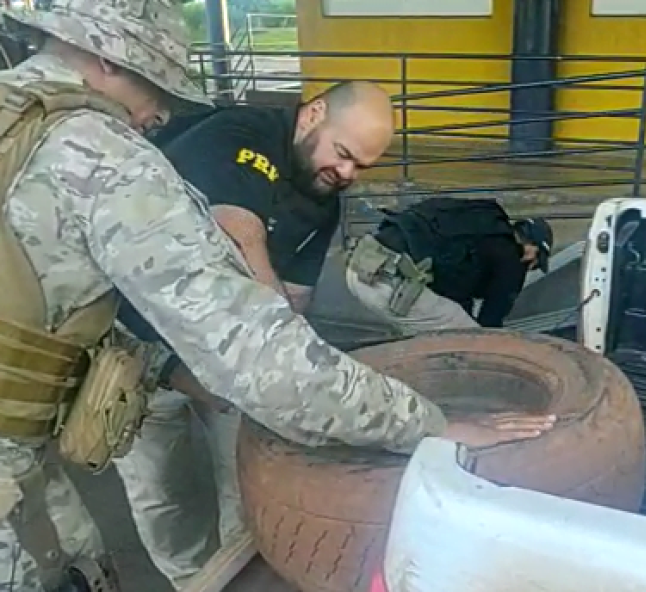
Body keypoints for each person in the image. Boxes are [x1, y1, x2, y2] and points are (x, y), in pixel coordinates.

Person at [0, 2, 555, 590]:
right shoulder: (105, 156)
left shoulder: (17, 115)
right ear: (107, 57)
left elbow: (44, 302)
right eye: (153, 83)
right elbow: (261, 355)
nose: (161, 113)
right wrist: (430, 424)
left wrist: (159, 365)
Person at [112, 81, 391, 590]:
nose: (347, 173)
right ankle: (187, 579)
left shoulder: (325, 198)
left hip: (230, 361)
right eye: (344, 153)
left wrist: (280, 367)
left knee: (245, 482)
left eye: (361, 167)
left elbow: (298, 298)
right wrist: (278, 354)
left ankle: (229, 576)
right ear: (314, 115)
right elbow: (239, 232)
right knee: (160, 491)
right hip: (139, 350)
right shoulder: (242, 134)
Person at [346, 197, 554, 333]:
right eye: (535, 261)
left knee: (440, 321)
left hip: (359, 267)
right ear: (531, 248)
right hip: (391, 286)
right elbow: (491, 323)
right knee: (471, 340)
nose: (530, 266)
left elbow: (455, 287)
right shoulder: (511, 258)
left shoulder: (477, 222)